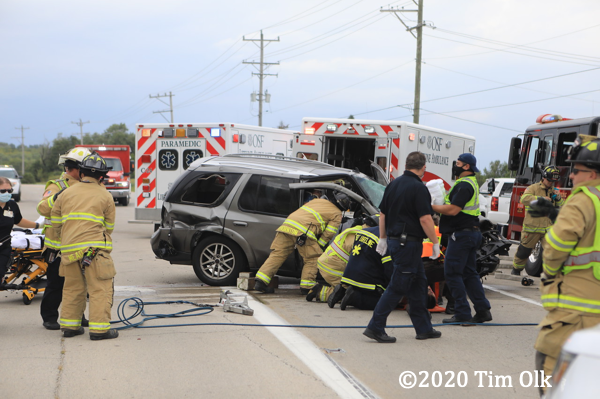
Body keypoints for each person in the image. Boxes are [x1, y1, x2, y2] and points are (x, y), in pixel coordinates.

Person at [534, 135, 600, 392]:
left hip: (576, 311)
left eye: (577, 170)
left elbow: (557, 246)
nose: (571, 176)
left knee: (551, 378)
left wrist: (550, 273)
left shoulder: (583, 198)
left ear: (592, 174)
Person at [363, 151, 441, 343]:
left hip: (396, 241)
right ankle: (375, 326)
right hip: (409, 244)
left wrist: (383, 238)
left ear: (406, 165)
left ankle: (424, 328)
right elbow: (425, 218)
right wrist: (435, 243)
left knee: (418, 284)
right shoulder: (419, 188)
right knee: (398, 286)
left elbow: (383, 215)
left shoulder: (393, 185)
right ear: (423, 168)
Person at [52, 153, 118, 340]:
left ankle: (70, 328)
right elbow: (110, 227)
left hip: (69, 250)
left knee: (72, 288)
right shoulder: (105, 195)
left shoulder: (65, 194)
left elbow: (55, 222)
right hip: (95, 251)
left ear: (81, 173)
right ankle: (99, 330)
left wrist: (66, 238)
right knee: (99, 288)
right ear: (101, 176)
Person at [432, 153, 492, 325]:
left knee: (452, 273)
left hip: (462, 235)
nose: (455, 166)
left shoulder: (464, 185)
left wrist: (429, 206)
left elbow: (452, 210)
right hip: (470, 233)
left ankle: (462, 312)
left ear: (466, 167)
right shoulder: (467, 183)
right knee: (469, 273)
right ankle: (482, 310)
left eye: (458, 163)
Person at [37, 147, 91, 330]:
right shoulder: (56, 186)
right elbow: (43, 208)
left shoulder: (88, 186)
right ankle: (50, 317)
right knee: (56, 285)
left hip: (79, 246)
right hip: (57, 249)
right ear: (75, 168)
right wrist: (59, 197)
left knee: (80, 284)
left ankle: (78, 316)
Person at [254, 190, 344, 294]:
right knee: (313, 258)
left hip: (286, 226)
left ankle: (261, 281)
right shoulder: (337, 213)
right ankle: (307, 286)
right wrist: (320, 244)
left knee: (278, 254)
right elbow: (329, 232)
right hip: (304, 232)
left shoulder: (317, 201)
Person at [511, 165, 564, 275]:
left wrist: (558, 198)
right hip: (532, 228)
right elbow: (524, 199)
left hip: (548, 229)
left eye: (553, 181)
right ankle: (516, 270)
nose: (551, 183)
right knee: (524, 251)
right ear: (544, 177)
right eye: (549, 180)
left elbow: (560, 206)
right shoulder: (533, 188)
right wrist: (541, 199)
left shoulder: (553, 190)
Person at [305, 218, 368, 304]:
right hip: (333, 268)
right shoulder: (364, 238)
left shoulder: (356, 229)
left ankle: (321, 290)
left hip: (327, 262)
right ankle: (319, 291)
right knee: (351, 294)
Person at [335, 225, 392, 310]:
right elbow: (389, 268)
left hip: (349, 275)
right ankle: (354, 297)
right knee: (384, 303)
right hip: (367, 282)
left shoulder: (363, 231)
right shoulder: (387, 239)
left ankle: (342, 292)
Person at [0, 177, 40, 287]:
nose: (6, 193)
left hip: (4, 248)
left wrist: (37, 225)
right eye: (3, 191)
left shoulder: (12, 205)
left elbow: (19, 221)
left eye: (9, 191)